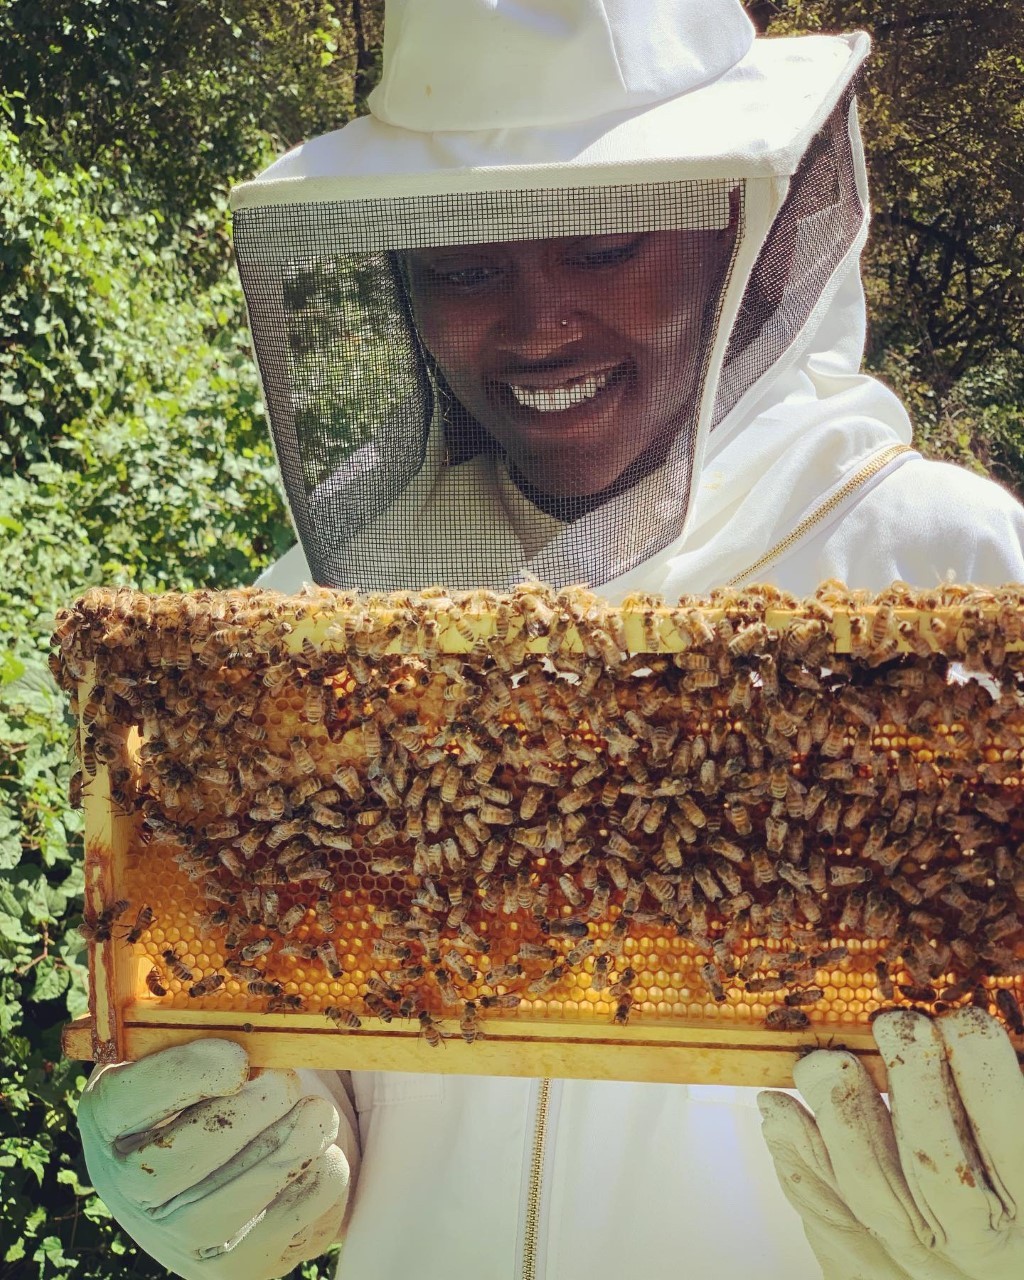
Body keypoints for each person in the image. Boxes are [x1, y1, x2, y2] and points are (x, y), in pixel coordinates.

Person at [76, 3, 1024, 1277]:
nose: (534, 326)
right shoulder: (305, 623)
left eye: (603, 243)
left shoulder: (949, 577)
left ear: (730, 233)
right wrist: (240, 1146)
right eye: (466, 265)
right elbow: (271, 1018)